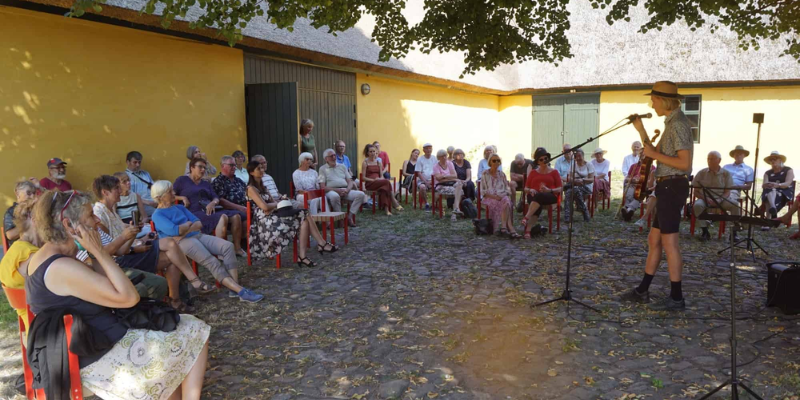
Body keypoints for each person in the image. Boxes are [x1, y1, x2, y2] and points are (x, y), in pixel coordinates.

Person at [27, 190, 210, 399]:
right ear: (69, 225)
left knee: (185, 328)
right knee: (194, 330)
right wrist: (100, 252)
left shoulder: (55, 255)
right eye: (90, 215)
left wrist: (95, 253)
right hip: (93, 355)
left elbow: (105, 281)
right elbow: (128, 298)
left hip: (93, 340)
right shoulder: (61, 267)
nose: (96, 220)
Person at [621, 81, 694, 311]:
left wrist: (654, 154)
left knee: (669, 243)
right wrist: (641, 129)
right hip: (666, 186)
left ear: (663, 100)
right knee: (654, 240)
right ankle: (643, 290)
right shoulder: (671, 123)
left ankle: (677, 298)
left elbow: (685, 163)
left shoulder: (679, 125)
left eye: (653, 99)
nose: (651, 103)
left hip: (673, 186)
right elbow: (653, 153)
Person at [93, 175, 215, 310]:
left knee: (171, 254)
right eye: (116, 188)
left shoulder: (110, 211)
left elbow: (120, 239)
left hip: (129, 251)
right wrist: (133, 245)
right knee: (170, 246)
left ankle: (176, 299)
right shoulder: (99, 214)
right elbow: (112, 249)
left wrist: (139, 238)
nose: (121, 189)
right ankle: (192, 284)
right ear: (105, 192)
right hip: (122, 260)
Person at [151, 180, 264, 302]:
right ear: (160, 197)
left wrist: (185, 228)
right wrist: (187, 226)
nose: (173, 193)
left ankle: (234, 288)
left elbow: (198, 223)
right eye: (169, 191)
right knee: (212, 261)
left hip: (196, 235)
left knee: (227, 246)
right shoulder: (158, 215)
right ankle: (241, 291)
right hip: (182, 243)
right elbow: (174, 231)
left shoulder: (179, 207)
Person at [246, 161, 337, 267]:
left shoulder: (263, 187)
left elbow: (271, 202)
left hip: (273, 215)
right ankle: (321, 244)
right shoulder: (251, 188)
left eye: (262, 168)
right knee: (304, 214)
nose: (262, 170)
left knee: (304, 219)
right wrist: (276, 203)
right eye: (258, 169)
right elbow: (264, 207)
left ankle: (303, 256)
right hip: (264, 222)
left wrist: (279, 200)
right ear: (251, 172)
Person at [175, 157, 246, 257]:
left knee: (236, 216)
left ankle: (237, 248)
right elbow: (170, 195)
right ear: (192, 167)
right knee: (223, 217)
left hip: (209, 209)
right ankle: (221, 251)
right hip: (193, 212)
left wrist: (213, 202)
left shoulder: (205, 183)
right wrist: (182, 197)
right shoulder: (182, 180)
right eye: (200, 167)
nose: (203, 170)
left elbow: (215, 197)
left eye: (204, 168)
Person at [0, 199, 39, 331]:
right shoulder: (30, 255)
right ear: (36, 221)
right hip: (47, 336)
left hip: (32, 329)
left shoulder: (14, 252)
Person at [692, 151, 740, 241]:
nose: (710, 161)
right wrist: (706, 199)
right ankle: (705, 231)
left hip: (721, 199)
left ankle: (734, 232)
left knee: (735, 205)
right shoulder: (702, 173)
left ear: (719, 160)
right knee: (697, 205)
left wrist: (719, 200)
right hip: (705, 198)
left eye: (712, 159)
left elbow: (727, 192)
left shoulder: (726, 174)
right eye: (708, 159)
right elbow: (696, 191)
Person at [521, 148, 562, 238]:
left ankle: (526, 218)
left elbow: (560, 188)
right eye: (541, 159)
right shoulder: (533, 173)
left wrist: (549, 190)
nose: (544, 161)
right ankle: (528, 230)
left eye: (546, 158)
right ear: (537, 162)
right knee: (537, 200)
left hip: (550, 196)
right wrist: (530, 190)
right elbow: (526, 188)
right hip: (534, 195)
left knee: (539, 197)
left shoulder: (554, 172)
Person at [318, 149, 366, 227]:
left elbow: (350, 181)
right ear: (326, 159)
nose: (334, 157)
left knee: (361, 194)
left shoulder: (342, 166)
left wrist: (347, 189)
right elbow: (322, 187)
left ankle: (349, 217)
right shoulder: (322, 169)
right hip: (331, 191)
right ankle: (340, 219)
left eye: (334, 155)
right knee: (335, 196)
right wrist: (337, 190)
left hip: (344, 189)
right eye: (331, 156)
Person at [480, 154, 521, 239]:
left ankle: (504, 227)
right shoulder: (485, 174)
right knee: (506, 202)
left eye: (498, 160)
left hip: (502, 197)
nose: (496, 162)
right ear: (490, 162)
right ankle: (510, 228)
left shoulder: (502, 174)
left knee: (506, 200)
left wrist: (504, 194)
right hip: (489, 198)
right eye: (494, 160)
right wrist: (495, 197)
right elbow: (483, 191)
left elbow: (507, 189)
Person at [362, 144, 403, 216]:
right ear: (368, 153)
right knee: (386, 182)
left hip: (379, 182)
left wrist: (379, 179)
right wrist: (373, 180)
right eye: (370, 151)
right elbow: (363, 177)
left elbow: (381, 175)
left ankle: (387, 210)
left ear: (376, 152)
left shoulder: (379, 162)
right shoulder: (365, 163)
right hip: (370, 184)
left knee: (384, 189)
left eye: (373, 151)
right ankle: (394, 201)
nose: (372, 153)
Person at [758, 151, 794, 227]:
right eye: (771, 160)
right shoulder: (767, 173)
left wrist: (777, 185)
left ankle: (768, 221)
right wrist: (769, 184)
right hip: (770, 191)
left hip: (784, 191)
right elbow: (764, 185)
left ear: (780, 160)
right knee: (769, 191)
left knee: (769, 195)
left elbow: (787, 184)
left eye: (775, 159)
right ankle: (773, 208)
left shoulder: (788, 170)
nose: (772, 161)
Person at [432, 149, 464, 221]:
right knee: (459, 190)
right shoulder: (436, 166)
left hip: (451, 184)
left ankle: (455, 210)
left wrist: (444, 176)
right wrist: (450, 177)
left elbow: (455, 175)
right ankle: (455, 213)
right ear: (438, 158)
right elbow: (439, 179)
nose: (444, 157)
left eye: (445, 156)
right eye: (442, 156)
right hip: (440, 185)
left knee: (459, 183)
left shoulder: (450, 163)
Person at [563, 149, 594, 223]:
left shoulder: (589, 165)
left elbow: (592, 179)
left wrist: (583, 180)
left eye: (580, 156)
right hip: (575, 185)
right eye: (576, 156)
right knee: (570, 192)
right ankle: (583, 212)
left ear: (583, 156)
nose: (578, 158)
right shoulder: (573, 165)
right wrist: (575, 181)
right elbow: (569, 178)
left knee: (573, 190)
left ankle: (569, 215)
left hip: (586, 186)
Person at [4, 180, 38, 246]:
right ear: (17, 194)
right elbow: (10, 235)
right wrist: (28, 224)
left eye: (34, 193)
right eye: (28, 193)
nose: (32, 197)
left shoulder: (35, 209)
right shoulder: (11, 212)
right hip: (21, 248)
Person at [125, 151, 158, 216]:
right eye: (135, 162)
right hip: (142, 206)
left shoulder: (145, 173)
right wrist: (148, 202)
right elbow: (129, 196)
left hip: (154, 203)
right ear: (128, 162)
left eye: (139, 162)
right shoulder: (125, 177)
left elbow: (154, 188)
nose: (138, 165)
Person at [415, 143, 437, 211]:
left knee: (440, 187)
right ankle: (426, 203)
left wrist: (432, 181)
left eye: (430, 148)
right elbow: (418, 172)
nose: (428, 150)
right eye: (427, 148)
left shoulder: (434, 158)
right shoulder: (420, 159)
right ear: (423, 150)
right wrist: (426, 182)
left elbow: (437, 171)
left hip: (433, 180)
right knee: (422, 187)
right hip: (423, 180)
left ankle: (435, 204)